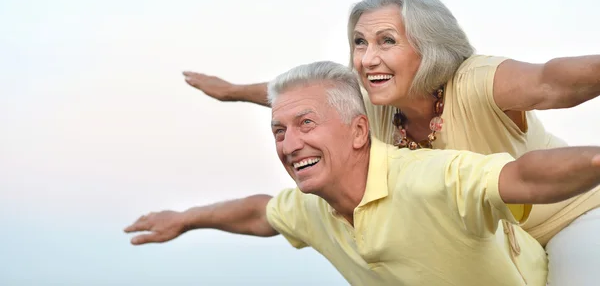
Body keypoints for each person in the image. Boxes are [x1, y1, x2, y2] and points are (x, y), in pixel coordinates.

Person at [183, 0, 600, 285]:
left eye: (387, 41)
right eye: (359, 43)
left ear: (428, 45)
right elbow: (307, 96)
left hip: (569, 217)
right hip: (501, 242)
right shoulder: (373, 103)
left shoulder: (477, 81)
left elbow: (554, 81)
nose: (367, 59)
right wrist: (234, 92)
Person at [126, 61, 600, 285]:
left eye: (306, 125)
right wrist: (187, 218)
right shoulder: (312, 207)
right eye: (278, 132)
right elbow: (260, 213)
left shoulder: (428, 178)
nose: (289, 146)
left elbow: (524, 177)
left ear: (358, 132)